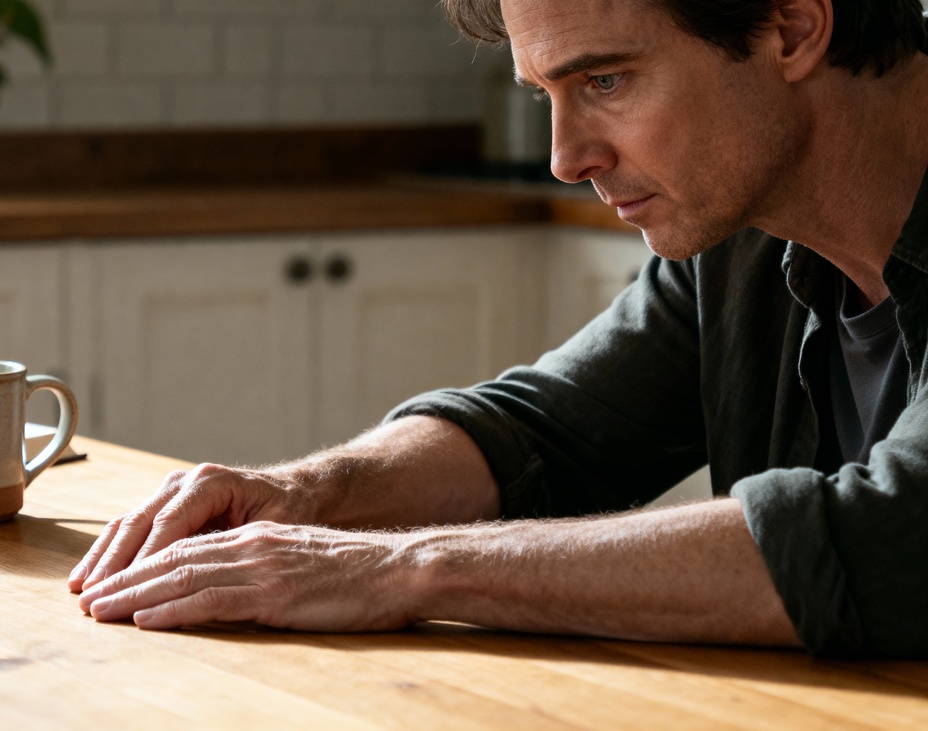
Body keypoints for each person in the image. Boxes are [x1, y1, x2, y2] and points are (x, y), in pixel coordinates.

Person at [68, 0, 928, 657]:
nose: (565, 158)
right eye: (546, 93)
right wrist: (311, 496)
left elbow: (889, 536)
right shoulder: (739, 237)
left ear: (790, 26)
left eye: (605, 81)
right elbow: (544, 431)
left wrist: (402, 568)